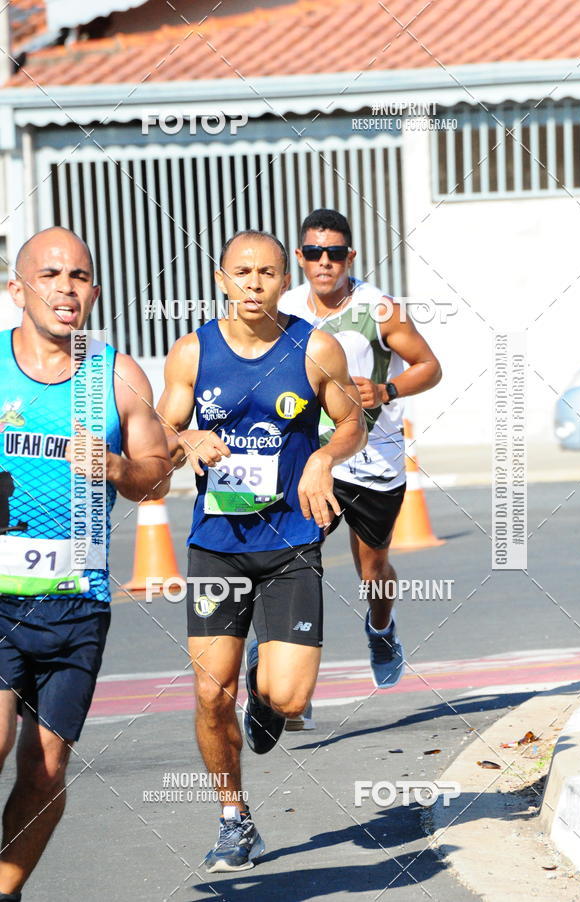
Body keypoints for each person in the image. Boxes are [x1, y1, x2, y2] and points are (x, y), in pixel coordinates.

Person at [157, 229, 366, 872]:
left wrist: (325, 457)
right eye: (242, 272)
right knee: (209, 694)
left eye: (268, 273)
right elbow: (157, 433)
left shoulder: (315, 346)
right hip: (217, 546)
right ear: (222, 278)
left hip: (291, 545)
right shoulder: (192, 353)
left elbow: (354, 419)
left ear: (286, 280)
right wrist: (187, 439)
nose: (254, 283)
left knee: (291, 701)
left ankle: (265, 687)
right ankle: (233, 819)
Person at [0, 227, 171, 901]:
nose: (64, 288)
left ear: (94, 292)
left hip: (77, 600)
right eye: (49, 275)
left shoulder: (117, 374)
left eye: (77, 276)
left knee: (45, 772)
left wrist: (116, 465)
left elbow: (155, 478)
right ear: (18, 289)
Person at [280, 209, 442, 705]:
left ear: (350, 257)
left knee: (372, 569)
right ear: (301, 258)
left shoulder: (380, 309)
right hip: (314, 456)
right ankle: (277, 662)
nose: (324, 262)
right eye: (313, 253)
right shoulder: (284, 307)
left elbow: (430, 367)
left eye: (334, 253)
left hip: (376, 457)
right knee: (290, 559)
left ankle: (381, 627)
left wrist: (387, 389)